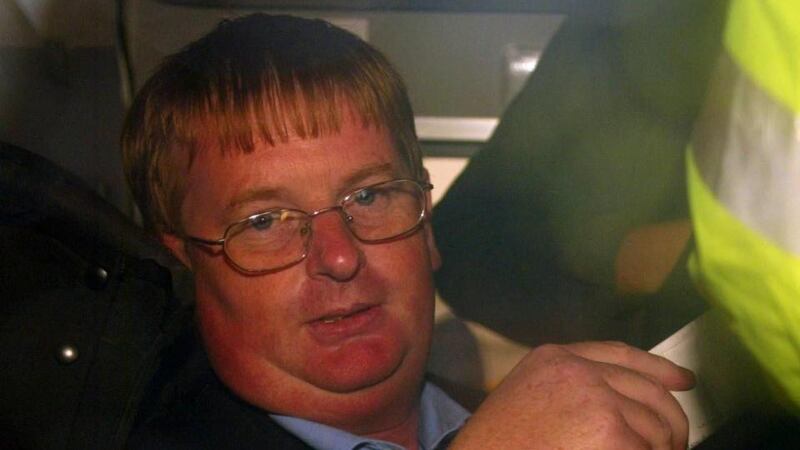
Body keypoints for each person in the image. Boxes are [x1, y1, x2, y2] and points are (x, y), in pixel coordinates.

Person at [121, 13, 694, 449]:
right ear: (186, 263)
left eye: (370, 196)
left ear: (428, 226)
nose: (340, 257)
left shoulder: (531, 423)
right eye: (265, 221)